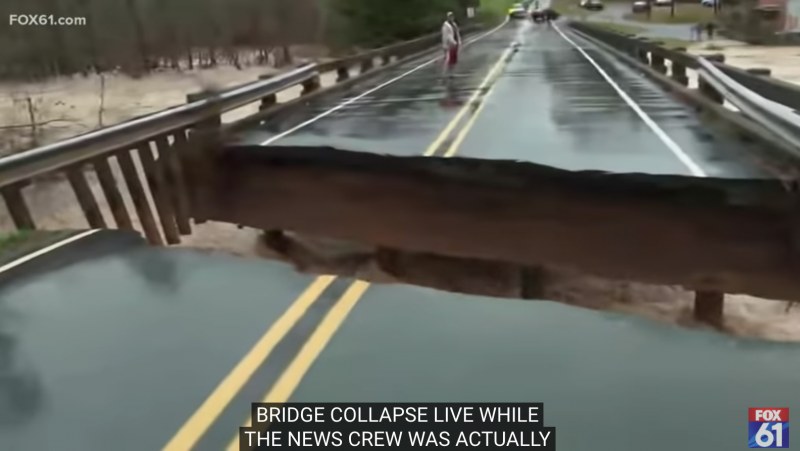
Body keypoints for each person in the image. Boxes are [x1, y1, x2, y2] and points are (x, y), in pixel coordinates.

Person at [441, 12, 461, 78]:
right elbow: (447, 36)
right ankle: (445, 73)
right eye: (450, 16)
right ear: (448, 17)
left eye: (452, 16)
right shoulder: (446, 25)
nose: (451, 18)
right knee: (448, 59)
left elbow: (457, 33)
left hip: (455, 43)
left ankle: (451, 73)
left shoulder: (454, 24)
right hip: (449, 44)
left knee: (453, 59)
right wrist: (453, 42)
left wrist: (458, 41)